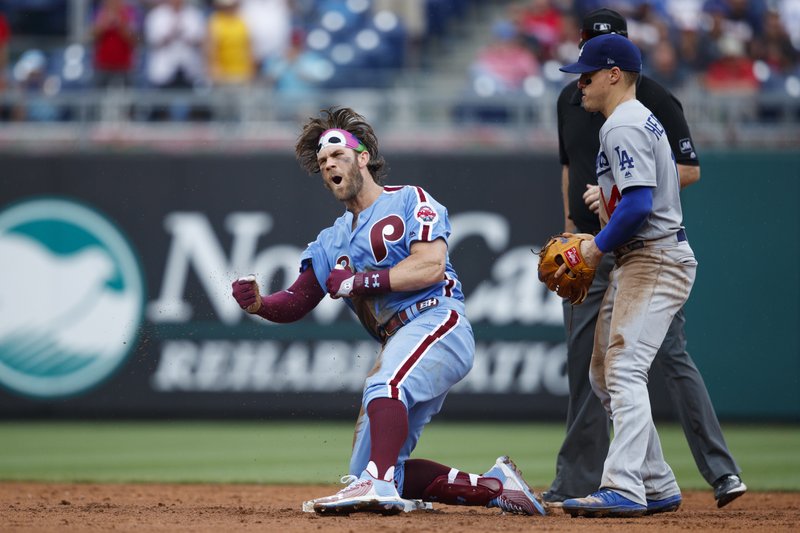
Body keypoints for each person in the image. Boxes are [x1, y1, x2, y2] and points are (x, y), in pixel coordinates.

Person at [230, 106, 546, 517]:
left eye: (337, 156)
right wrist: (259, 304)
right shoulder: (331, 240)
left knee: (384, 387)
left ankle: (378, 485)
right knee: (369, 466)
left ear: (362, 158)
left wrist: (361, 282)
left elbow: (430, 266)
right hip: (399, 338)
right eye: (323, 162)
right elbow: (296, 301)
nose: (329, 166)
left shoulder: (410, 199)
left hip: (438, 319)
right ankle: (495, 487)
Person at [545, 8, 746, 513]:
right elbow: (634, 196)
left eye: (587, 76)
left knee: (626, 370)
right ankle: (656, 482)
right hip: (644, 257)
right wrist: (603, 199)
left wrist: (593, 244)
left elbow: (638, 206)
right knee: (602, 374)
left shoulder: (625, 124)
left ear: (614, 74)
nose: (580, 85)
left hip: (654, 258)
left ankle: (624, 485)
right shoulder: (630, 121)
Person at [90, 0, 139, 89]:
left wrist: (120, 23)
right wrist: (104, 24)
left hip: (124, 65)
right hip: (103, 64)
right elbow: (92, 36)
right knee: (98, 97)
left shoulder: (130, 12)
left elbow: (134, 39)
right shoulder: (100, 12)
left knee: (127, 98)